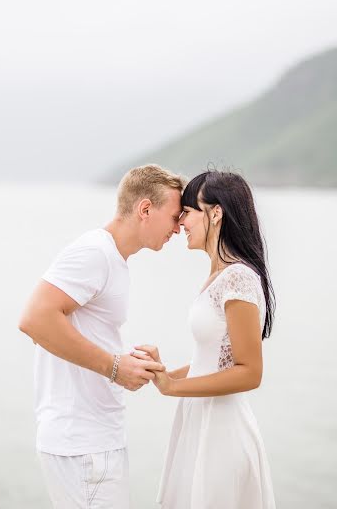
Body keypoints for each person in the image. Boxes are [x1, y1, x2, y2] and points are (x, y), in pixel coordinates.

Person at [18, 164, 185, 509]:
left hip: (94, 442)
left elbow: (70, 327)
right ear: (144, 209)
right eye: (174, 216)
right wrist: (114, 367)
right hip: (83, 447)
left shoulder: (112, 259)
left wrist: (126, 362)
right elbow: (35, 319)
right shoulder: (96, 253)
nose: (179, 228)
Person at [134, 169, 276, 508]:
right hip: (200, 421)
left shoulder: (238, 277)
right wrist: (164, 373)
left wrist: (173, 388)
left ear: (216, 213)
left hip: (222, 431)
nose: (181, 221)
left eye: (188, 211)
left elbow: (249, 371)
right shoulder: (219, 275)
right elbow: (212, 359)